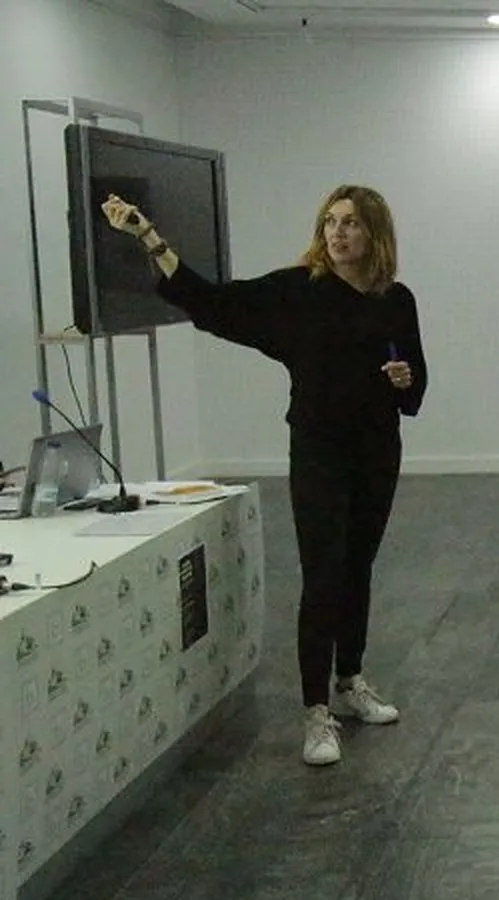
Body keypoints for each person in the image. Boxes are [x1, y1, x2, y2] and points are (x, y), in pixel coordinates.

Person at [101, 186, 430, 768]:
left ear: (375, 233)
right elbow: (212, 303)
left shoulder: (396, 300)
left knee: (357, 569)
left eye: (351, 223)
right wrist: (148, 237)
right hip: (320, 452)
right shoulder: (299, 291)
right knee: (323, 575)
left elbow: (416, 386)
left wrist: (405, 380)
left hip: (378, 452)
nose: (337, 233)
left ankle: (350, 682)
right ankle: (315, 712)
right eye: (330, 221)